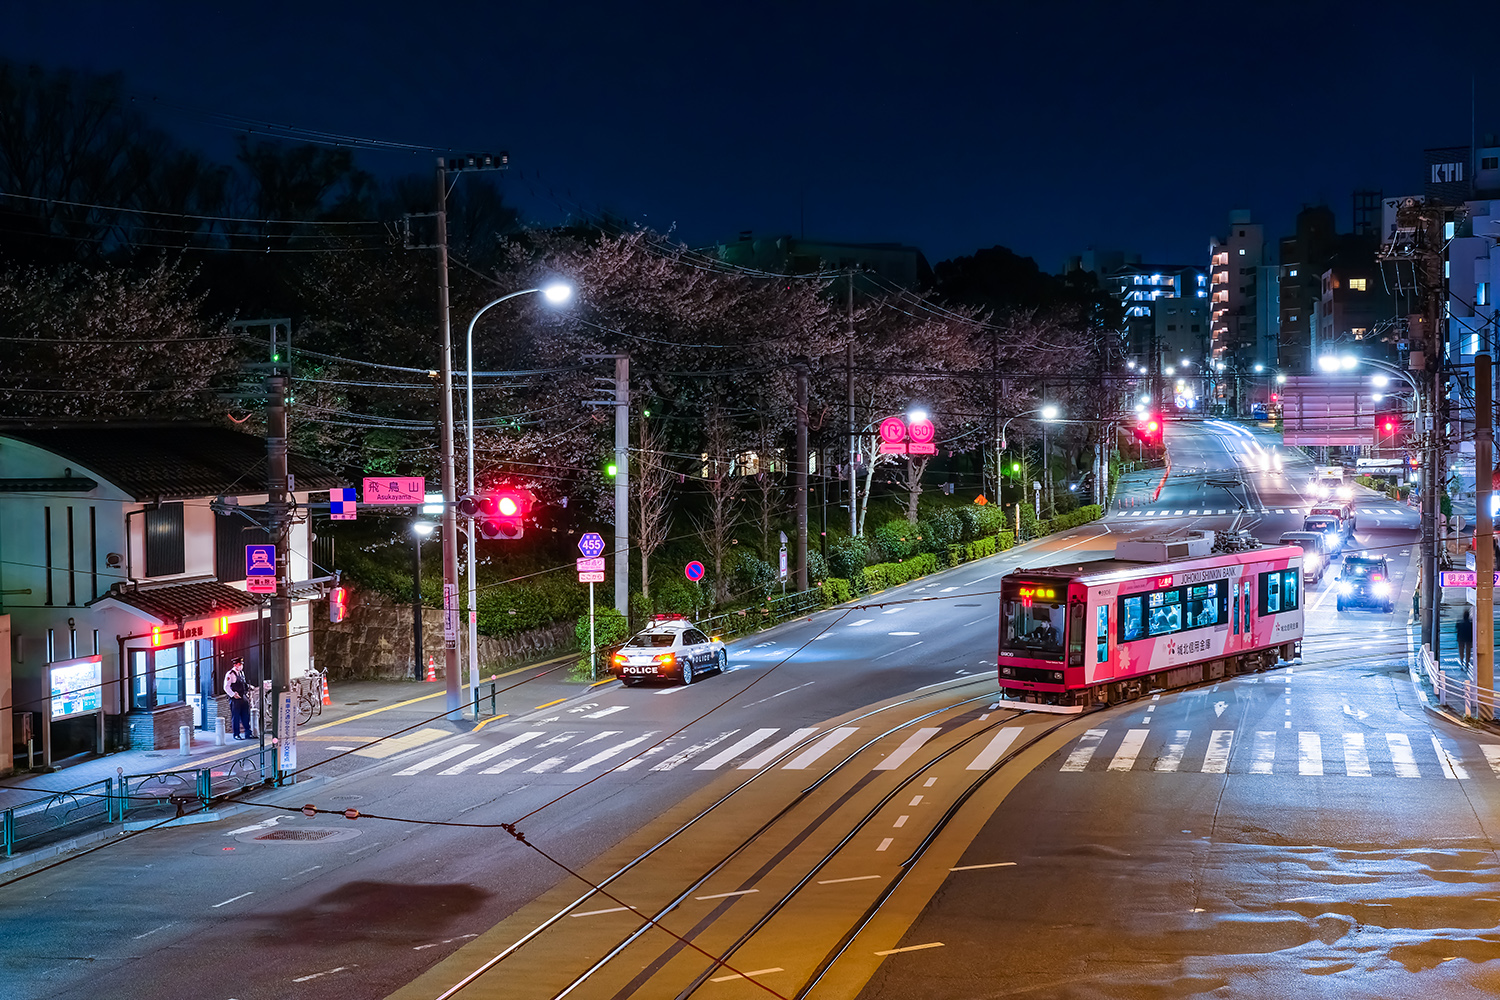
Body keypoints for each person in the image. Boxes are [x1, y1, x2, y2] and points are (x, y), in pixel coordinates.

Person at [225, 657, 252, 739]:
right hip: (235, 699)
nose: (241, 666)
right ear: (235, 665)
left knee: (246, 715)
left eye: (242, 664)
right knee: (236, 717)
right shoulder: (230, 674)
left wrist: (250, 688)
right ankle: (236, 734)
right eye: (240, 664)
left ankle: (248, 733)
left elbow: (244, 684)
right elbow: (226, 687)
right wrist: (233, 694)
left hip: (243, 696)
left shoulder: (241, 673)